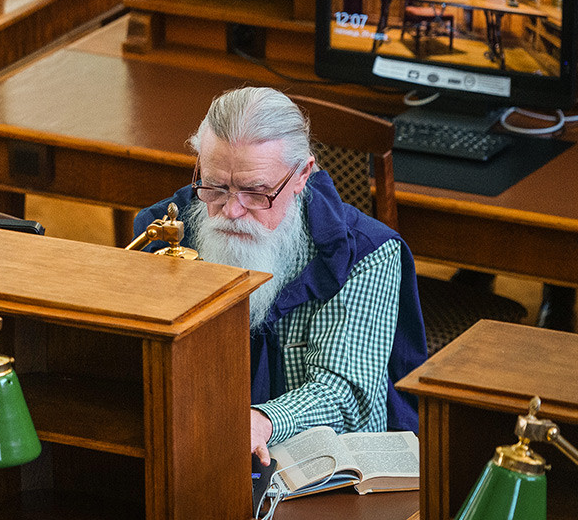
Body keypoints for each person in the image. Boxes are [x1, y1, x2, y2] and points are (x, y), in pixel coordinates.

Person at [132, 88, 426, 465]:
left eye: (256, 193)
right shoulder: (163, 234)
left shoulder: (366, 253)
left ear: (302, 175)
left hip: (321, 464)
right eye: (217, 187)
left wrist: (264, 421)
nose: (232, 211)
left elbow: (344, 393)